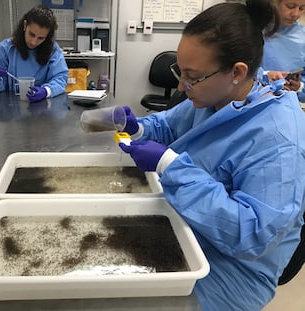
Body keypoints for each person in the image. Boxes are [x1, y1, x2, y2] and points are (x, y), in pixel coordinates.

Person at [118, 1, 305, 310]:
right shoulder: (214, 96)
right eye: (180, 71)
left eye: (192, 76)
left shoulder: (278, 140)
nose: (181, 85)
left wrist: (170, 165)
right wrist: (137, 128)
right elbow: (168, 125)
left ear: (237, 71)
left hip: (232, 271)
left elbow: (251, 234)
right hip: (187, 227)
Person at [0, 5, 69, 102]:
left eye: (41, 38)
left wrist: (46, 91)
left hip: (42, 108)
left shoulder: (53, 51)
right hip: (10, 108)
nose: (34, 42)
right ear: (25, 25)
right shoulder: (5, 50)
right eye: (31, 34)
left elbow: (60, 78)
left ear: (47, 36)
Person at [261, 0, 305, 102]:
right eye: (290, 6)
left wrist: (299, 87)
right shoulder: (251, 31)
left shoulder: (302, 36)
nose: (296, 14)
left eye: (302, 8)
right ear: (272, 3)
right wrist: (264, 77)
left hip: (285, 106)